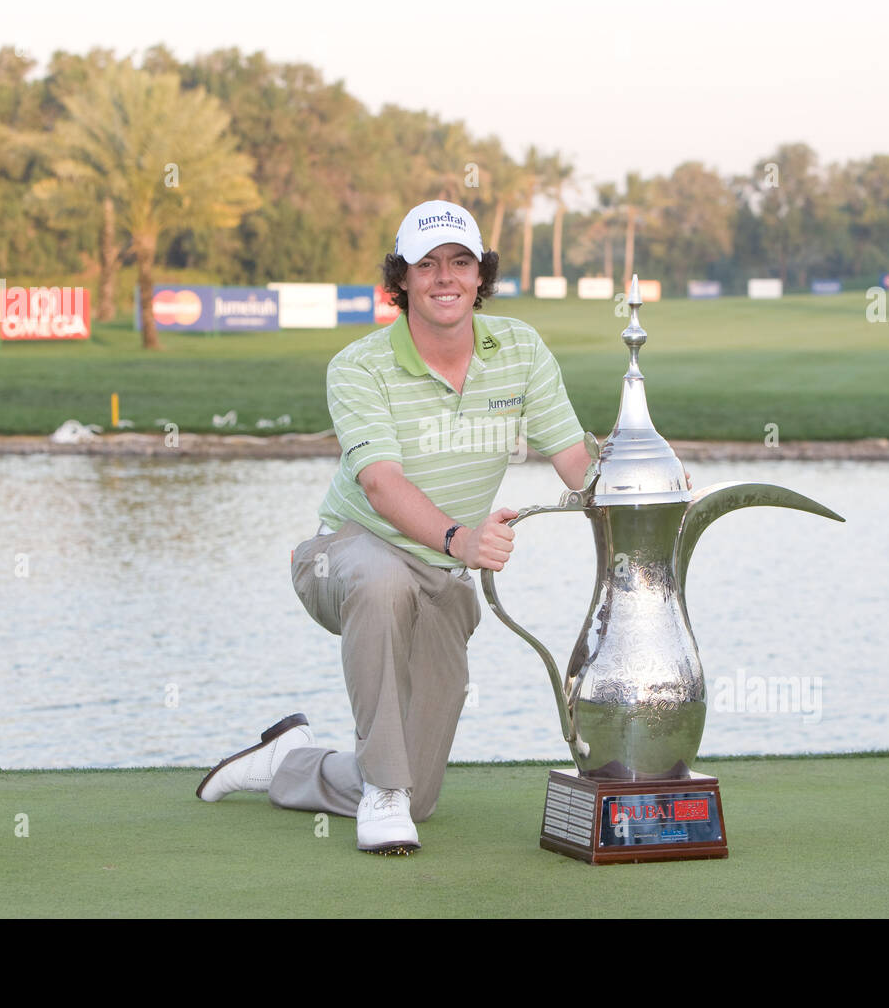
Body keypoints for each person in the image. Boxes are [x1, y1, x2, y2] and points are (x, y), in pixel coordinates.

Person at [195, 200, 592, 854]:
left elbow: (574, 459)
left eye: (460, 262)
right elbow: (380, 484)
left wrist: (645, 483)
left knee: (421, 795)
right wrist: (463, 540)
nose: (445, 277)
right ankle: (379, 794)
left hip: (438, 575)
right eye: (427, 264)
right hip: (343, 554)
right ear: (401, 279)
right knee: (383, 583)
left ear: (480, 274)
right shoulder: (359, 365)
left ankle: (289, 761)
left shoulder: (518, 348)